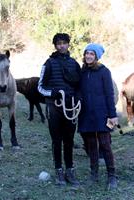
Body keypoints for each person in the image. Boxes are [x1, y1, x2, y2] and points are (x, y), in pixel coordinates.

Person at [38, 33, 81, 186]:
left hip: (70, 108)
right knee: (57, 141)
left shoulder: (74, 64)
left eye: (64, 43)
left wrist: (78, 97)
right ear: (55, 45)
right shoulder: (48, 63)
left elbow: (79, 86)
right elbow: (40, 87)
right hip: (54, 108)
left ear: (68, 44)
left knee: (69, 140)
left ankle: (70, 170)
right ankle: (59, 171)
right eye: (59, 43)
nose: (62, 46)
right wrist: (53, 93)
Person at [78, 43, 118, 190]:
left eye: (92, 54)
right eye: (87, 53)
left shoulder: (104, 71)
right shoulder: (82, 72)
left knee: (105, 145)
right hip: (86, 114)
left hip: (102, 114)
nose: (88, 56)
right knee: (91, 146)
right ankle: (94, 175)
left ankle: (112, 176)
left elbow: (109, 94)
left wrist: (112, 115)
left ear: (97, 56)